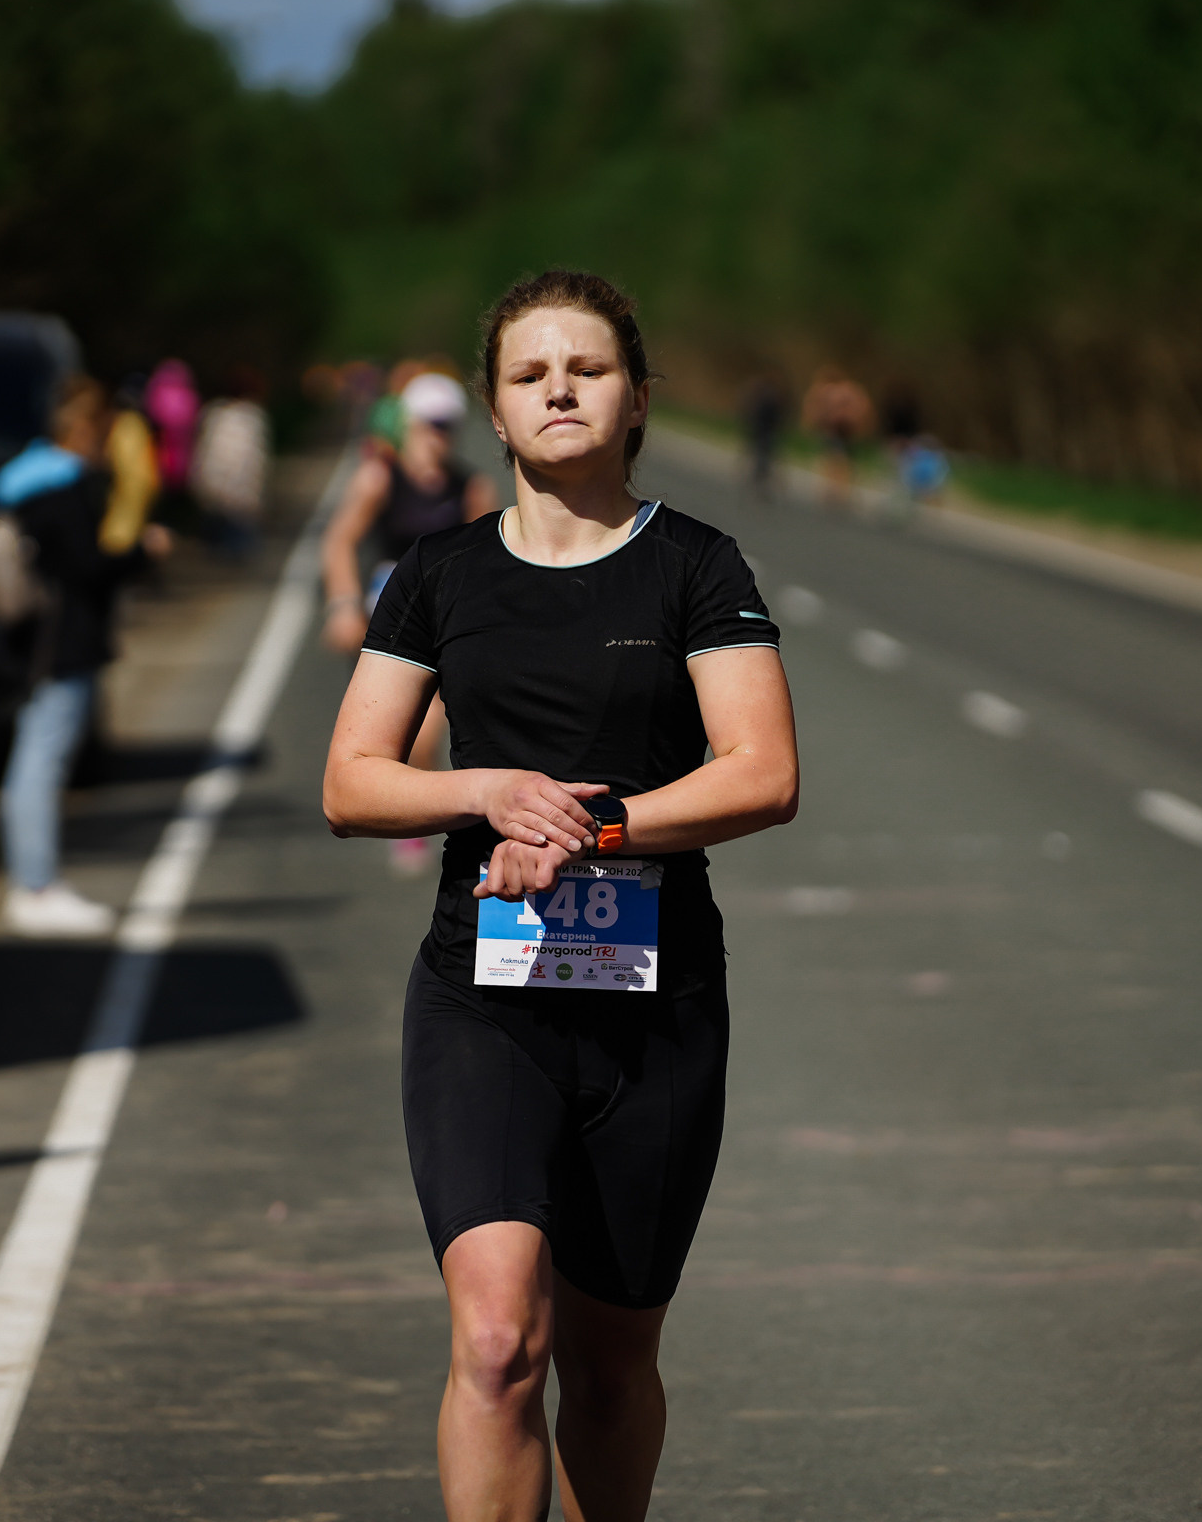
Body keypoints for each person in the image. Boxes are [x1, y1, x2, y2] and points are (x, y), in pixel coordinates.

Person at [322, 269, 799, 1522]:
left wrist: (591, 824)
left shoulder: (697, 564)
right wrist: (486, 792)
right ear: (494, 409)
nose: (560, 391)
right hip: (485, 1006)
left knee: (608, 1364)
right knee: (497, 1347)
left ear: (637, 399)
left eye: (586, 369)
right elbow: (353, 781)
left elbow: (764, 772)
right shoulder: (437, 575)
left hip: (658, 1012)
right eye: (530, 373)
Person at [321, 370, 500, 872]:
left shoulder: (470, 487)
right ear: (410, 425)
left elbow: (490, 558)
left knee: (428, 734)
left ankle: (417, 815)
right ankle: (402, 810)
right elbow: (339, 540)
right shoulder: (381, 477)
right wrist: (342, 604)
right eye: (429, 424)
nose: (437, 435)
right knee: (395, 732)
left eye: (447, 425)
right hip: (392, 613)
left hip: (447, 614)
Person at [0, 375, 126, 937]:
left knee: (35, 759)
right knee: (40, 763)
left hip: (34, 640)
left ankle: (35, 882)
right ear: (82, 427)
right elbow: (86, 569)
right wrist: (142, 555)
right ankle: (36, 885)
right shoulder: (64, 488)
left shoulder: (21, 482)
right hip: (61, 642)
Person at [193, 366, 272, 560]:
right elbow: (255, 458)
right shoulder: (252, 417)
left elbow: (203, 449)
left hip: (212, 485)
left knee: (216, 545)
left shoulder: (214, 413)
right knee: (239, 546)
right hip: (241, 491)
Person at [801, 365, 871, 502]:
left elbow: (821, 409)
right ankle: (841, 489)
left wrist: (814, 421)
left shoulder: (833, 390)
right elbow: (863, 408)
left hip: (836, 428)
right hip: (848, 428)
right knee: (842, 457)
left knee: (835, 457)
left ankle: (835, 488)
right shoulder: (852, 389)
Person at [144, 358, 201, 492]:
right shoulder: (190, 396)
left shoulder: (157, 391)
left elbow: (152, 417)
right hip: (185, 458)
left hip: (160, 457)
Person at [739, 373, 784, 497]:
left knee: (759, 457)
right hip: (767, 432)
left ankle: (758, 479)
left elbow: (750, 413)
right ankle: (760, 479)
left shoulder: (760, 396)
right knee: (763, 457)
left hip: (760, 431)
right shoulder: (774, 398)